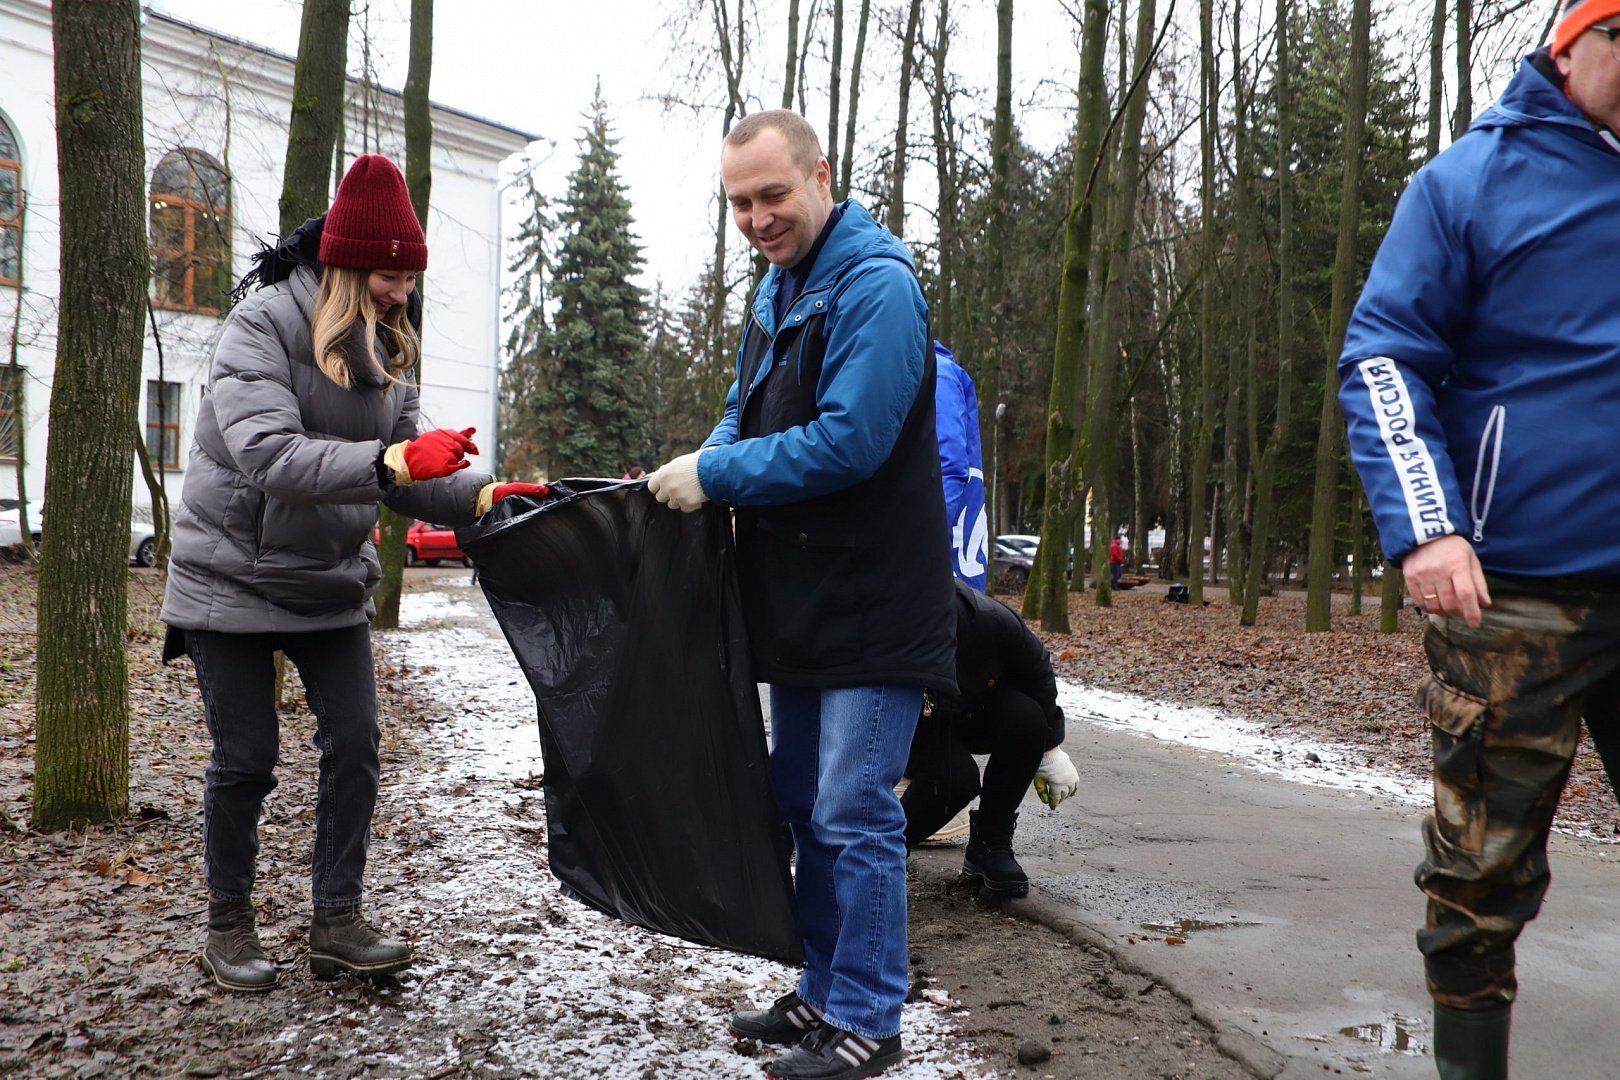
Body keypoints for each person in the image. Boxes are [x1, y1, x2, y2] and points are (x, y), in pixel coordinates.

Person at [160, 154, 546, 993]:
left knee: (358, 746)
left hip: (329, 581)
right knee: (248, 759)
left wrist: (484, 495)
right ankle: (227, 925)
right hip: (231, 579)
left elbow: (409, 474)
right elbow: (270, 455)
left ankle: (335, 917)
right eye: (388, 274)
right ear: (343, 264)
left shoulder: (388, 347)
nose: (401, 292)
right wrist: (396, 458)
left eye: (409, 277)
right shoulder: (259, 324)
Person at [1338, 8, 1620, 1076]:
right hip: (1515, 593)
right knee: (1480, 873)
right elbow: (1383, 359)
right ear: (1577, 42)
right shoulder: (1469, 181)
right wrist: (1430, 527)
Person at [645, 110, 956, 1080]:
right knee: (804, 803)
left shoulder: (877, 287)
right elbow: (746, 409)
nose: (757, 217)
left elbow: (847, 441)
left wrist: (719, 478)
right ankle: (822, 991)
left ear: (822, 175)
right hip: (802, 602)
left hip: (876, 603)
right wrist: (707, 454)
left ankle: (870, 1017)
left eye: (773, 194)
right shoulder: (780, 291)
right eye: (739, 202)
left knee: (854, 806)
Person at [901, 579, 1078, 897]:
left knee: (1026, 717)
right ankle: (885, 850)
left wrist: (1051, 749)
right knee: (955, 778)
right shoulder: (888, 619)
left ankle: (990, 845)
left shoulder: (991, 621)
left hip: (971, 707)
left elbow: (1037, 672)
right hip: (911, 723)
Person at [933, 341, 988, 591]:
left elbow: (948, 466)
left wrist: (921, 547)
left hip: (951, 556)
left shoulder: (938, 374)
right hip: (951, 553)